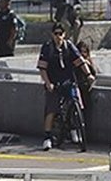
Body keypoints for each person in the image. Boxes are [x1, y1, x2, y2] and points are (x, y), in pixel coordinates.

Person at [37, 23, 88, 151]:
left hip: (68, 80)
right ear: (52, 34)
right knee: (52, 109)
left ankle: (75, 129)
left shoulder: (69, 46)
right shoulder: (47, 48)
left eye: (61, 34)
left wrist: (88, 74)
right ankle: (47, 137)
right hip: (54, 82)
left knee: (76, 103)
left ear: (64, 35)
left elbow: (80, 61)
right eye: (56, 33)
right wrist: (48, 83)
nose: (58, 36)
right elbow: (42, 68)